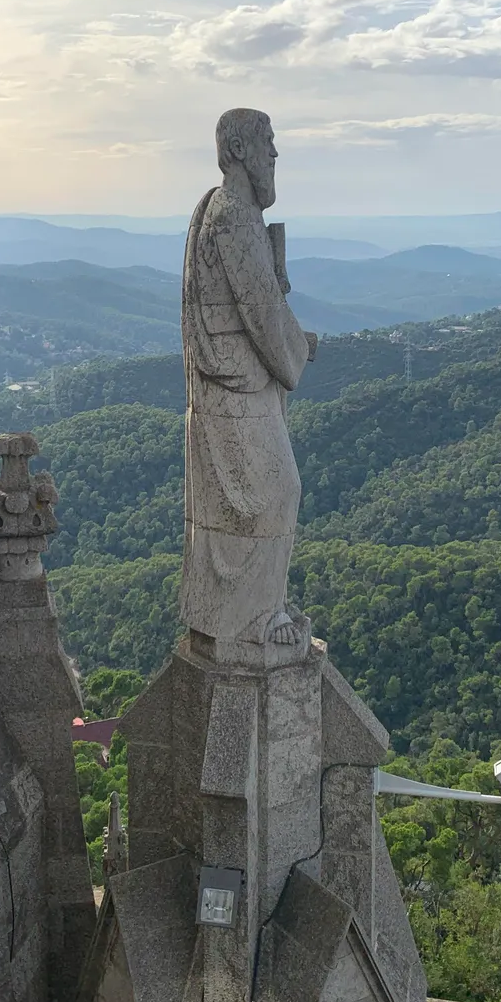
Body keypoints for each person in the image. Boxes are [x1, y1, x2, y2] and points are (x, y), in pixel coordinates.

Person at [179, 108, 316, 654]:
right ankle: (253, 621)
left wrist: (296, 337)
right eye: (269, 143)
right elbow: (261, 314)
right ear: (238, 149)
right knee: (275, 491)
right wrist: (297, 350)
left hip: (234, 390)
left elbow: (259, 305)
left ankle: (242, 614)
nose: (275, 155)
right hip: (236, 393)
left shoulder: (221, 210)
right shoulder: (233, 216)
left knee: (252, 499)